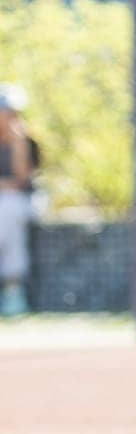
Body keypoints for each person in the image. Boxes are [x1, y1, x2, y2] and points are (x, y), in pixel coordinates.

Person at [0, 83, 37, 317]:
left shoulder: (27, 142)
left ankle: (13, 289)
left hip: (22, 203)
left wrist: (18, 144)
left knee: (8, 210)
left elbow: (21, 180)